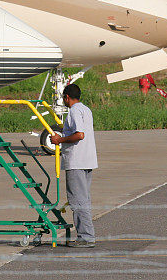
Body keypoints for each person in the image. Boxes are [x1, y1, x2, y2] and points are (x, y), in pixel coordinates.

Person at [50, 83, 97, 248]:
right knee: (84, 199)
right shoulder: (86, 110)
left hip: (77, 161)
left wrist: (59, 140)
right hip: (87, 160)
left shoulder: (74, 111)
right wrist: (63, 132)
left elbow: (80, 134)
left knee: (77, 200)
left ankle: (86, 237)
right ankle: (86, 234)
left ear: (67, 97)